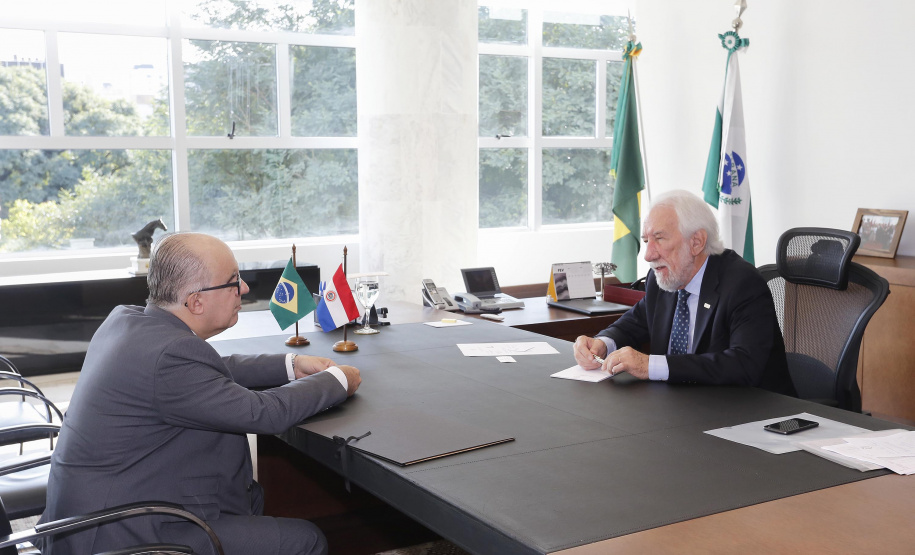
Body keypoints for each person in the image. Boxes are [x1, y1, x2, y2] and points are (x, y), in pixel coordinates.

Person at [37, 232, 361, 555]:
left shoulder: (128, 321)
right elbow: (264, 413)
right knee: (305, 539)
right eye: (233, 281)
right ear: (196, 301)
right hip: (124, 535)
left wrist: (290, 365)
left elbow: (209, 369)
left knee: (252, 496)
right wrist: (337, 379)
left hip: (102, 510)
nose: (245, 289)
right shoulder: (172, 357)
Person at [573, 190, 795, 395]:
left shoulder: (742, 284)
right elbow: (634, 323)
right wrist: (603, 343)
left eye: (659, 239)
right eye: (646, 241)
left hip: (751, 414)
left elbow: (743, 365)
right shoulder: (663, 278)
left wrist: (649, 365)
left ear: (696, 242)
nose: (648, 255)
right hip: (681, 407)